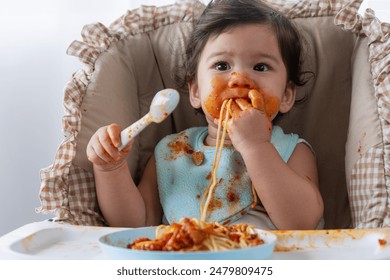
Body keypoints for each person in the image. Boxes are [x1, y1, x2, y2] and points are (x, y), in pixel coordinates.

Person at [86, 0, 324, 230]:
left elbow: (302, 223)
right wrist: (111, 170)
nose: (239, 78)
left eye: (260, 67)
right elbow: (134, 225)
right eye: (222, 66)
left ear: (286, 96)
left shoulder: (292, 151)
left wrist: (257, 146)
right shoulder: (171, 152)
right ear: (196, 91)